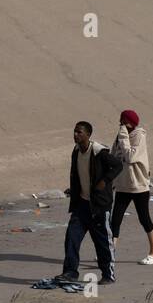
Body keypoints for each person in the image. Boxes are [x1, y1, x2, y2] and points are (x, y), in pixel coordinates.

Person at [58, 122, 122, 285]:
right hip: (82, 205)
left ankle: (108, 275)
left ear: (88, 135)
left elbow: (117, 165)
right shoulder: (76, 152)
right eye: (74, 132)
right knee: (71, 237)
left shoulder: (99, 152)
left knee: (102, 243)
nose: (75, 135)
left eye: (79, 132)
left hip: (99, 207)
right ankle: (70, 273)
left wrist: (105, 181)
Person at [110, 110, 153, 265]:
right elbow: (115, 156)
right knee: (115, 220)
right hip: (123, 186)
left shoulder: (139, 135)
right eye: (121, 122)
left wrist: (123, 135)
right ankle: (110, 253)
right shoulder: (120, 136)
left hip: (138, 186)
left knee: (144, 219)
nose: (121, 125)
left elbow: (130, 156)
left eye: (124, 122)